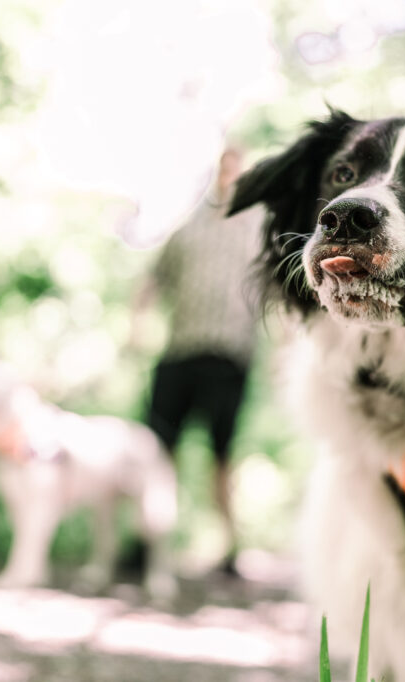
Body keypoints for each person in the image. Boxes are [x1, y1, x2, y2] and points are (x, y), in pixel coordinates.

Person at [140, 146, 264, 575]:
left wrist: (287, 351)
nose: (230, 178)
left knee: (222, 455)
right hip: (181, 352)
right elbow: (154, 279)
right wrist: (137, 323)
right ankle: (149, 542)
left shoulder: (259, 232)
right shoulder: (187, 229)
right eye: (224, 169)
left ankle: (230, 548)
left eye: (238, 171)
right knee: (159, 450)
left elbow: (280, 293)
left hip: (230, 356)